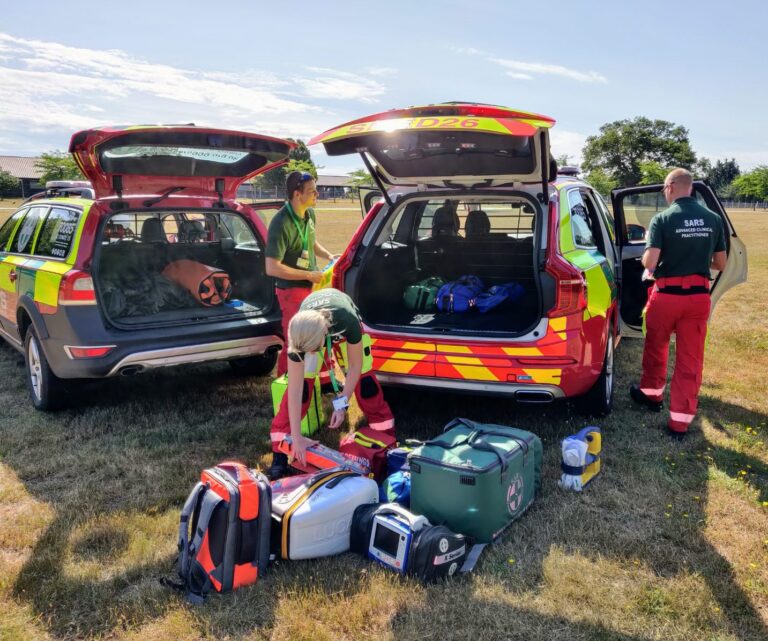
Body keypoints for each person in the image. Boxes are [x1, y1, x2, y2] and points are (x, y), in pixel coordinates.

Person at [629, 168, 727, 439]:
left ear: (671, 187)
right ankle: (679, 423)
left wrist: (650, 253)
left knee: (656, 347)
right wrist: (695, 263)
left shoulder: (663, 219)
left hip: (666, 296)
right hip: (697, 298)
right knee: (690, 360)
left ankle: (651, 396)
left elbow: (650, 262)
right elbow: (721, 264)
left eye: (664, 189)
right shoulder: (713, 219)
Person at [268, 288, 395, 479]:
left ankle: (385, 438)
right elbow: (294, 389)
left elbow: (354, 366)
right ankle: (280, 452)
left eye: (314, 350)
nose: (312, 354)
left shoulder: (347, 319)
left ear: (324, 336)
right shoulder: (298, 332)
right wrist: (296, 436)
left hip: (341, 325)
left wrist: (341, 405)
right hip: (313, 332)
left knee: (366, 383)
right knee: (302, 389)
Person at [266, 171, 336, 376]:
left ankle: (320, 382)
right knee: (296, 339)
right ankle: (286, 384)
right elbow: (272, 267)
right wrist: (306, 275)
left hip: (311, 286)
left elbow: (311, 242)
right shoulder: (280, 223)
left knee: (319, 333)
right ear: (297, 194)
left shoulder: (309, 214)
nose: (317, 195)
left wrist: (329, 255)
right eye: (312, 191)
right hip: (291, 291)